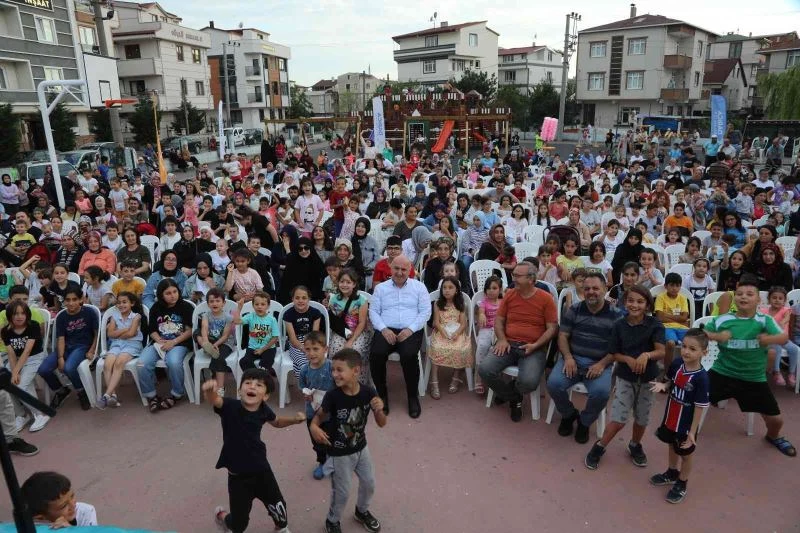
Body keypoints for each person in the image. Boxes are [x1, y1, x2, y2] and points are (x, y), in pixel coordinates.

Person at [704, 276, 796, 457]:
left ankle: (773, 437)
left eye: (749, 294)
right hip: (722, 373)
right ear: (735, 298)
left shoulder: (765, 321)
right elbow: (701, 333)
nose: (743, 297)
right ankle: (682, 431)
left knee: (776, 421)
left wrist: (769, 339)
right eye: (739, 294)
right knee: (688, 398)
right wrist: (716, 336)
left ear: (758, 300)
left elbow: (784, 338)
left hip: (753, 378)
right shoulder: (723, 320)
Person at [205, 370, 305, 533]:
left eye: (259, 385)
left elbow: (277, 421)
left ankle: (280, 528)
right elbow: (215, 400)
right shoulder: (230, 406)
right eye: (248, 383)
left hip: (261, 470)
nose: (252, 386)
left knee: (278, 506)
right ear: (240, 390)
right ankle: (222, 517)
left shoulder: (264, 410)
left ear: (265, 396)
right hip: (238, 476)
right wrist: (210, 391)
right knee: (239, 524)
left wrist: (293, 420)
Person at [584, 286, 665, 470]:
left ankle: (635, 445)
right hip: (625, 378)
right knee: (619, 419)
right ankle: (599, 446)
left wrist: (646, 355)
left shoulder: (655, 324)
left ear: (647, 305)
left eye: (640, 301)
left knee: (642, 419)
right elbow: (614, 353)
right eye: (630, 300)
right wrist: (627, 359)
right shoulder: (619, 325)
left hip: (648, 380)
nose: (634, 305)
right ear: (624, 302)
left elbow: (661, 351)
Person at [310, 348, 386, 533]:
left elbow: (382, 423)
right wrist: (314, 427)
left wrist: (379, 410)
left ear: (356, 370)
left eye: (339, 370)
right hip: (340, 454)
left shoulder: (369, 392)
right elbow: (318, 417)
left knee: (369, 483)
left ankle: (362, 511)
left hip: (361, 448)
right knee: (342, 492)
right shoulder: (333, 396)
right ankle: (332, 521)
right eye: (333, 370)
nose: (334, 374)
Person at [547, 272, 621, 443]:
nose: (591, 292)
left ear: (605, 289)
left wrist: (602, 364)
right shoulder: (575, 309)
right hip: (573, 359)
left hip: (599, 362)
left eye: (595, 288)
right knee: (554, 384)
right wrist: (568, 357)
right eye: (587, 288)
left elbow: (618, 347)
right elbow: (563, 336)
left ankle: (585, 421)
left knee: (601, 393)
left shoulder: (616, 315)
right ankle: (568, 414)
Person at [479, 261, 558, 422]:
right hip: (508, 344)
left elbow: (552, 328)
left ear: (531, 279)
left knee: (529, 382)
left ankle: (508, 393)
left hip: (533, 348)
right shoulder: (510, 295)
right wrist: (502, 339)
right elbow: (499, 321)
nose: (513, 278)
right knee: (485, 369)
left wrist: (536, 345)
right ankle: (514, 398)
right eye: (513, 275)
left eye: (517, 276)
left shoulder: (546, 298)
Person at [648, 328, 710, 504]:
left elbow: (700, 407)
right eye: (684, 346)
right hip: (671, 417)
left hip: (686, 425)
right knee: (671, 444)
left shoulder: (702, 378)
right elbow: (671, 381)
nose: (686, 351)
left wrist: (693, 432)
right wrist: (664, 386)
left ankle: (682, 482)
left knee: (686, 454)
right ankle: (671, 472)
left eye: (692, 349)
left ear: (704, 353)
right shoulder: (676, 364)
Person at [369, 255, 430, 418]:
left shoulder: (419, 287)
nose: (400, 272)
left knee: (409, 355)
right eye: (396, 268)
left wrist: (410, 329)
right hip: (386, 329)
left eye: (404, 269)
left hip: (410, 330)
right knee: (376, 354)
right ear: (391, 268)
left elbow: (425, 312)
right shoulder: (381, 288)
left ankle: (412, 396)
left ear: (410, 270)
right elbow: (373, 311)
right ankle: (382, 395)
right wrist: (383, 329)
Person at [37, 287, 97, 411]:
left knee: (69, 368)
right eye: (68, 300)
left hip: (82, 346)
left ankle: (81, 391)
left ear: (80, 299)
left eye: (74, 299)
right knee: (43, 369)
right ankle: (61, 391)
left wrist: (92, 350)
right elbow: (61, 338)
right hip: (65, 347)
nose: (71, 303)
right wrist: (60, 357)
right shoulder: (62, 316)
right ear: (63, 301)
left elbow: (97, 334)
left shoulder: (89, 312)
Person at [138, 279, 194, 412]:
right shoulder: (156, 308)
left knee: (173, 362)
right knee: (141, 363)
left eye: (175, 292)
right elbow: (152, 330)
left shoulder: (186, 307)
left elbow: (190, 330)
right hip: (159, 343)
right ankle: (151, 395)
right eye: (168, 293)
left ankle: (176, 394)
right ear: (161, 295)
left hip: (179, 342)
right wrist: (159, 340)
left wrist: (173, 342)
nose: (173, 295)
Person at [297, 330, 335, 480]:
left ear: (325, 349)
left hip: (331, 413)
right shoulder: (304, 370)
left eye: (315, 349)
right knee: (317, 441)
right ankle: (322, 462)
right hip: (312, 413)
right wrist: (305, 393)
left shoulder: (332, 367)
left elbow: (341, 384)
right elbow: (302, 386)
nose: (311, 353)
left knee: (333, 439)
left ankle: (336, 461)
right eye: (307, 349)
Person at [97, 292, 144, 409]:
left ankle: (106, 395)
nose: (121, 305)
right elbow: (110, 334)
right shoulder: (114, 316)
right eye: (119, 303)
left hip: (133, 345)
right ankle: (112, 396)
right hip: (117, 344)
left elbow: (131, 334)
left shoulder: (136, 316)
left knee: (119, 363)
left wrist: (119, 333)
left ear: (132, 303)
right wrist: (126, 329)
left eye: (124, 302)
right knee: (107, 364)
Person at [427, 276, 472, 399]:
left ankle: (456, 376)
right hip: (441, 331)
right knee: (436, 347)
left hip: (457, 331)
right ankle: (434, 381)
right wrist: (443, 332)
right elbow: (436, 322)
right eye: (444, 288)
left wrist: (457, 333)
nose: (447, 290)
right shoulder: (438, 303)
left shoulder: (460, 304)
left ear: (456, 290)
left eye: (450, 287)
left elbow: (463, 324)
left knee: (460, 348)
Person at [327, 268, 373, 385]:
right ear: (338, 283)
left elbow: (362, 323)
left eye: (348, 282)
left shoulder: (362, 300)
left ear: (354, 284)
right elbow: (334, 321)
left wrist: (351, 340)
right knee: (335, 350)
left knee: (356, 351)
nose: (345, 285)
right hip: (340, 332)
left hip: (358, 333)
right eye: (342, 281)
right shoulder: (334, 299)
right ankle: (338, 379)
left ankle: (358, 382)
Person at [20, 471, 97, 527]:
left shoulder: (86, 512)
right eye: (64, 506)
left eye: (72, 496)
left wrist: (71, 530)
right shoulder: (32, 526)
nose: (73, 505)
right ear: (41, 518)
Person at [233, 291, 280, 373]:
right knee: (244, 361)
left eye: (263, 304)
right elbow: (236, 321)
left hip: (268, 348)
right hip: (252, 347)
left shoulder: (272, 320)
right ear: (253, 305)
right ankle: (256, 375)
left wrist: (262, 349)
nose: (259, 307)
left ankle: (259, 376)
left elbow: (275, 338)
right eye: (257, 304)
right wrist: (239, 308)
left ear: (268, 306)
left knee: (265, 362)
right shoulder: (250, 316)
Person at [283, 285, 324, 375]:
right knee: (304, 363)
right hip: (296, 343)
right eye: (297, 298)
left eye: (304, 298)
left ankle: (306, 381)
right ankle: (308, 381)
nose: (300, 300)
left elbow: (314, 335)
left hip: (312, 340)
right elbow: (293, 339)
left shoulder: (315, 313)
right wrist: (304, 349)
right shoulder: (288, 314)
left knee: (316, 360)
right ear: (292, 299)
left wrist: (310, 348)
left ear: (309, 299)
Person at [278, 237, 325, 303]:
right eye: (300, 249)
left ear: (310, 248)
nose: (303, 251)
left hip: (312, 299)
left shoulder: (316, 262)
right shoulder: (292, 264)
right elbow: (286, 286)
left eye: (306, 248)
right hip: (294, 299)